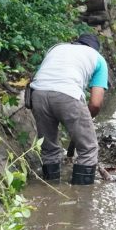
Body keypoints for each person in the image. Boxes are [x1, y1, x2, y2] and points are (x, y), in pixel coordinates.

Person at [30, 34, 109, 185]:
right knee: (88, 149)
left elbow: (41, 77)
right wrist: (85, 119)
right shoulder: (98, 58)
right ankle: (81, 197)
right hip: (68, 94)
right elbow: (96, 103)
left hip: (38, 94)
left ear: (76, 43)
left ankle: (50, 188)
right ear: (95, 49)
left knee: (49, 148)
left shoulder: (56, 49)